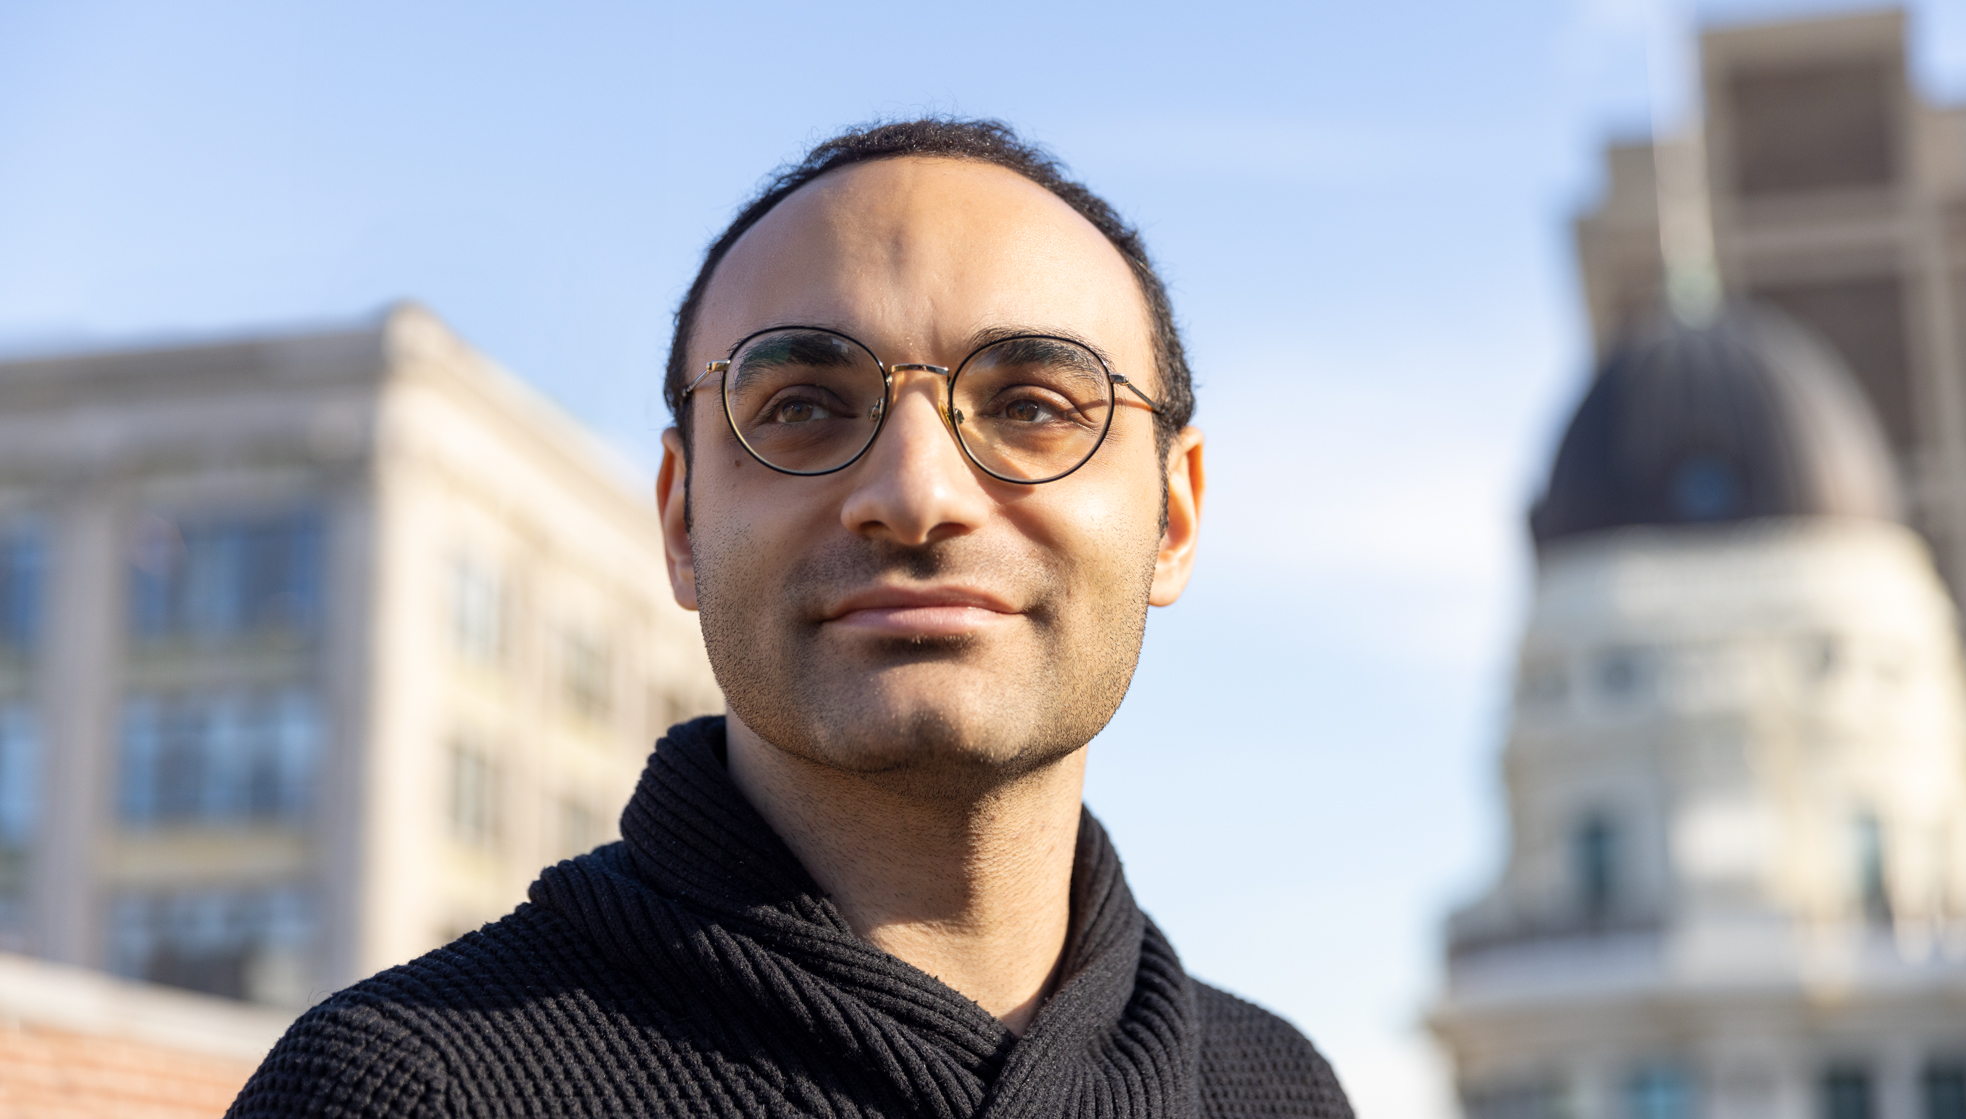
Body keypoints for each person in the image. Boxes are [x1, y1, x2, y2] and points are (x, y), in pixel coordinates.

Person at [228, 118, 1353, 1119]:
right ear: (679, 518)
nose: (917, 495)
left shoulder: (1279, 1089)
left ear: (1174, 518)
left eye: (1032, 406)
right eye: (802, 408)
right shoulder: (402, 1090)